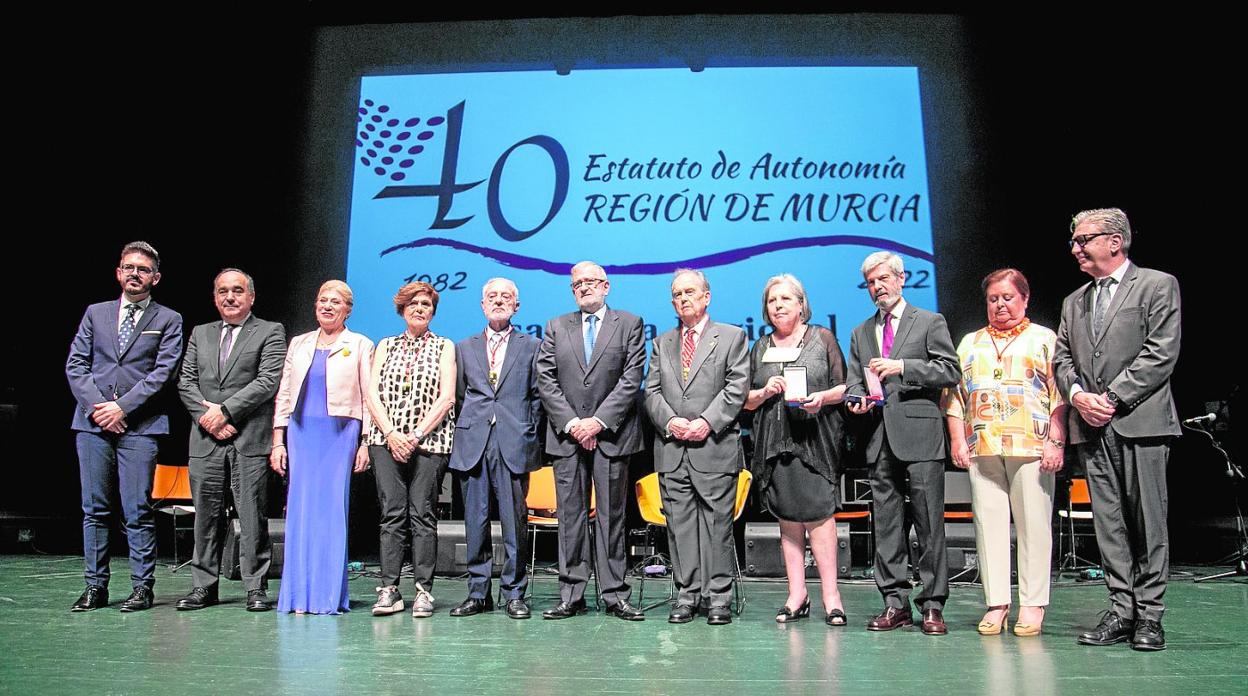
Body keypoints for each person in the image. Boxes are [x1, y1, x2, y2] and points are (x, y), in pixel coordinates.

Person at [1053, 208, 1181, 651]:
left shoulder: (1157, 285)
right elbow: (1061, 359)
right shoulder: (1075, 301)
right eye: (1074, 240)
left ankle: (1150, 615)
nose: (1075, 248)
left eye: (1083, 239)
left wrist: (1111, 397)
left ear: (1114, 241)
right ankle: (1121, 610)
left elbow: (1161, 352)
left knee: (1148, 522)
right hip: (1091, 428)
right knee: (1108, 524)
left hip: (1140, 423)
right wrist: (1077, 397)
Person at [945, 268, 1067, 636]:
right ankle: (996, 602)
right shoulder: (970, 342)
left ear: (1025, 299)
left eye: (1007, 297)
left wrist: (1056, 440)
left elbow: (1061, 394)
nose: (1000, 305)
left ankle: (1032, 604)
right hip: (982, 445)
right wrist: (955, 439)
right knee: (988, 524)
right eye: (993, 299)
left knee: (1033, 526)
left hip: (1031, 444)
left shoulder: (1045, 340)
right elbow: (954, 396)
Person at [845, 251, 960, 635]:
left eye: (883, 279)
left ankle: (932, 604)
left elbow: (950, 370)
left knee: (929, 524)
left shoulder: (928, 321)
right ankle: (894, 603)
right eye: (871, 283)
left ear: (901, 278)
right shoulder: (861, 332)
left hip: (921, 436)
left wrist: (904, 367)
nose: (878, 288)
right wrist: (857, 401)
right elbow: (853, 384)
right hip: (878, 438)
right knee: (887, 526)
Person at [66, 241, 183, 612]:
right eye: (129, 267)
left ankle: (142, 588)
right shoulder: (95, 313)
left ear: (156, 277)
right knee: (94, 509)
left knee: (137, 509)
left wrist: (122, 408)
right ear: (118, 272)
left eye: (143, 269)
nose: (135, 274)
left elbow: (163, 373)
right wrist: (100, 408)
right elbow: (76, 366)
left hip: (141, 426)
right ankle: (95, 587)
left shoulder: (169, 319)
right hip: (92, 424)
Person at [536, 261, 647, 620]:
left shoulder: (629, 324)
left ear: (606, 286)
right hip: (567, 439)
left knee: (613, 517)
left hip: (612, 436)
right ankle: (571, 594)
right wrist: (573, 423)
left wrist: (597, 422)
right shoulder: (556, 326)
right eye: (577, 284)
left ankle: (614, 594)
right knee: (570, 517)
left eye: (590, 282)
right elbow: (546, 379)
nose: (584, 287)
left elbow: (631, 379)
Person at [175, 269, 286, 612]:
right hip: (206, 439)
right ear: (214, 297)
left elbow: (268, 381)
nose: (230, 297)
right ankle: (204, 587)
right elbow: (185, 382)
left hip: (248, 438)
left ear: (251, 297)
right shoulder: (201, 333)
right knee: (205, 517)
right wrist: (209, 419)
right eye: (223, 291)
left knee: (252, 516)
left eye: (237, 291)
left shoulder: (270, 331)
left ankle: (255, 587)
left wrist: (225, 412)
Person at [742, 274, 850, 626]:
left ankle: (831, 596)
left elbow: (843, 386)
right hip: (774, 441)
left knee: (819, 515)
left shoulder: (822, 337)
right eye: (773, 301)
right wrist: (764, 392)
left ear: (801, 304)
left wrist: (821, 398)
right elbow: (745, 399)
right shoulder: (760, 347)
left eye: (786, 299)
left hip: (815, 439)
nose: (778, 306)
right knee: (788, 517)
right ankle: (797, 594)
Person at [643, 269, 749, 626]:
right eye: (676, 294)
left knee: (717, 526)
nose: (683, 298)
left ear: (707, 297)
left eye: (690, 291)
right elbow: (651, 392)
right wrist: (671, 421)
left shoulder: (733, 337)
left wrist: (705, 421)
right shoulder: (662, 343)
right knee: (680, 526)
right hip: (673, 449)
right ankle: (687, 595)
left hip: (714, 446)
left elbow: (736, 388)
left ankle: (717, 598)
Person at [270, 280, 373, 615]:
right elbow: (284, 394)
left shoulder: (359, 344)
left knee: (331, 512)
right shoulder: (299, 344)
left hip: (340, 431)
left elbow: (369, 398)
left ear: (348, 310)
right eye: (322, 301)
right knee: (300, 510)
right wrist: (278, 441)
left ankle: (328, 596)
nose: (328, 306)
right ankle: (298, 596)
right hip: (302, 432)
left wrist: (366, 443)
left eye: (336, 302)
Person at [448, 278, 542, 619]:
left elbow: (537, 396)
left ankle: (514, 593)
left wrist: (526, 431)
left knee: (514, 521)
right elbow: (458, 396)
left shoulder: (531, 345)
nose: (498, 301)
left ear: (516, 305)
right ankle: (478, 592)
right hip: (473, 441)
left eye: (506, 296)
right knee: (475, 520)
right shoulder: (464, 346)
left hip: (513, 441)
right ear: (482, 305)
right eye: (492, 296)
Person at [364, 281, 456, 619]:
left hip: (429, 442)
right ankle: (389, 589)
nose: (420, 308)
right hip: (384, 441)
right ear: (402, 309)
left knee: (422, 515)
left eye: (426, 305)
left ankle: (422, 591)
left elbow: (447, 397)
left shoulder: (445, 346)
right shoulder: (385, 345)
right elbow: (371, 394)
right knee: (392, 515)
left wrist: (413, 436)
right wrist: (391, 433)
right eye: (414, 304)